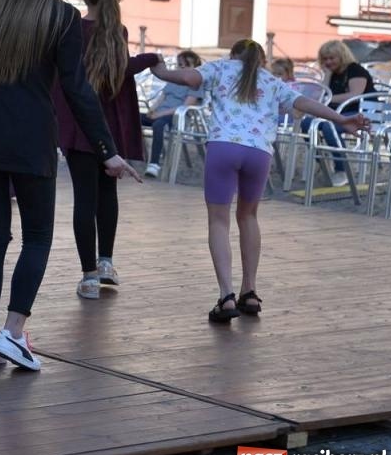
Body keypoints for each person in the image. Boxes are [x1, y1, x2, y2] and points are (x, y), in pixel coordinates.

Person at [0, 0, 142, 373]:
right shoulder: (61, 17)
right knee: (37, 237)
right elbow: (77, 91)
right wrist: (106, 149)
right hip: (31, 137)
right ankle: (15, 334)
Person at [149, 39, 368, 322]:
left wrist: (159, 70)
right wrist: (341, 120)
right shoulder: (271, 80)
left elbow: (189, 77)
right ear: (262, 60)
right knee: (249, 217)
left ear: (232, 54)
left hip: (223, 148)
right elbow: (306, 103)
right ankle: (249, 291)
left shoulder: (221, 67)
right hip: (259, 153)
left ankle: (226, 297)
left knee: (218, 220)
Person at [53, 0, 162, 300]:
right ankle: (106, 263)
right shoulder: (118, 31)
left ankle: (88, 277)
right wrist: (151, 59)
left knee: (84, 199)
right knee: (107, 194)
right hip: (109, 127)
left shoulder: (72, 28)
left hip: (79, 126)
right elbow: (122, 68)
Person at [312, 40, 372, 187]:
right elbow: (322, 94)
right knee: (307, 123)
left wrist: (327, 99)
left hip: (361, 114)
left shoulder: (355, 70)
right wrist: (327, 75)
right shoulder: (332, 73)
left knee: (328, 127)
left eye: (332, 58)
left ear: (342, 56)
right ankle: (325, 163)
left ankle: (342, 169)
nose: (328, 62)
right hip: (340, 113)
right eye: (325, 59)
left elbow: (354, 95)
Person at [145, 50, 203, 177]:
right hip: (160, 113)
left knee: (158, 125)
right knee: (132, 118)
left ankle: (154, 164)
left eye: (186, 65)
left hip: (177, 117)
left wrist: (158, 115)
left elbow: (184, 106)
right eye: (180, 64)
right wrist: (152, 109)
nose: (182, 68)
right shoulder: (173, 80)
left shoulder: (195, 85)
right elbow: (162, 96)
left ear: (196, 68)